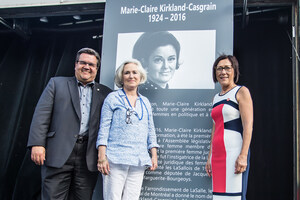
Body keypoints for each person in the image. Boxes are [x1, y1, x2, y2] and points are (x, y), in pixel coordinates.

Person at [27, 47, 112, 200]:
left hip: (88, 156)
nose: (87, 67)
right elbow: (41, 115)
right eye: (83, 63)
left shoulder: (106, 93)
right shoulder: (56, 84)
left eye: (91, 65)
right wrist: (37, 144)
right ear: (75, 65)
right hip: (58, 152)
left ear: (97, 69)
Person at [96, 59, 159, 200]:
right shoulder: (112, 98)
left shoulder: (145, 102)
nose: (131, 76)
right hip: (115, 159)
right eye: (127, 73)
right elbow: (104, 128)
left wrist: (153, 154)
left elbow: (150, 129)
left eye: (134, 72)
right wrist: (101, 156)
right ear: (121, 77)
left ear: (140, 76)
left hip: (138, 160)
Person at [205, 55, 253, 200]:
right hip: (218, 155)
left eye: (227, 68)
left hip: (234, 153)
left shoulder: (241, 91)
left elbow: (248, 125)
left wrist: (243, 155)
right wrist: (210, 157)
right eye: (219, 68)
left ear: (234, 70)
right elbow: (215, 128)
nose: (223, 72)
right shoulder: (216, 97)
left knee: (235, 197)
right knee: (219, 197)